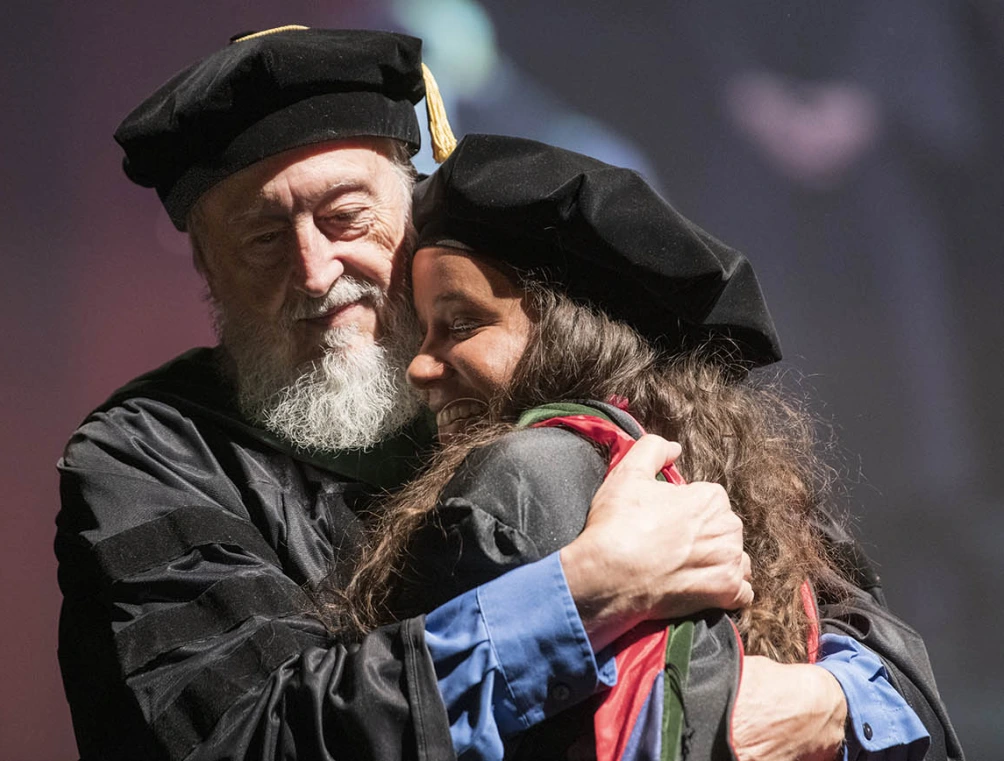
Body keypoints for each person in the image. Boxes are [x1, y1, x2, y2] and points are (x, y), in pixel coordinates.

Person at [55, 28, 754, 761]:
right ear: (207, 267)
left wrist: (829, 696)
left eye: (346, 218)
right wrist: (579, 595)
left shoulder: (532, 367)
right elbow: (249, 737)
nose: (316, 270)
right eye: (264, 239)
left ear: (417, 209)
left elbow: (859, 625)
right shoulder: (146, 458)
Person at [335, 134, 962, 761]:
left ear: (570, 333)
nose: (418, 367)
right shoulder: (737, 471)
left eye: (462, 324)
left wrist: (829, 700)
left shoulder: (524, 475)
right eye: (422, 332)